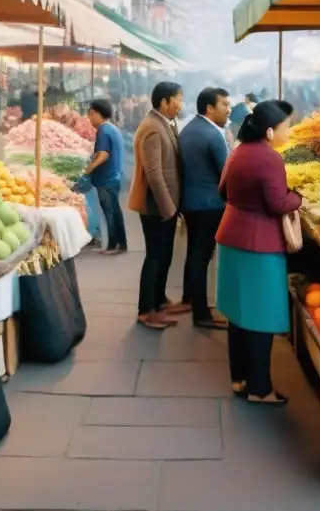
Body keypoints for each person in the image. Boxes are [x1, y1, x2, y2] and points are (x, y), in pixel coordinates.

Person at [217, 100, 302, 405]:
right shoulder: (269, 158)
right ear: (270, 131)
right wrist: (298, 198)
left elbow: (223, 191)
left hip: (231, 237)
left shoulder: (238, 151)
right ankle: (260, 389)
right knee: (261, 317)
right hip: (259, 245)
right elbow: (278, 204)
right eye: (285, 126)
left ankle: (239, 380)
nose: (288, 131)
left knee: (238, 315)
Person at [129, 81, 185, 330]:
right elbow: (154, 174)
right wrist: (168, 209)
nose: (180, 105)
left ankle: (159, 300)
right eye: (178, 99)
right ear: (164, 101)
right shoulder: (152, 127)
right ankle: (146, 310)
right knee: (155, 257)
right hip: (156, 207)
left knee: (164, 256)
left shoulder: (163, 123)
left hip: (165, 206)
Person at [179, 87, 231, 329]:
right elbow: (227, 172)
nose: (229, 110)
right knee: (202, 256)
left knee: (194, 253)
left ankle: (190, 298)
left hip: (190, 202)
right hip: (209, 204)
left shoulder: (189, 128)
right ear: (210, 108)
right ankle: (201, 314)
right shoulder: (212, 134)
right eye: (225, 104)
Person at [85, 98, 127, 255]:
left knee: (110, 211)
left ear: (96, 113)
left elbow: (103, 155)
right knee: (115, 211)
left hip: (107, 179)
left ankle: (113, 246)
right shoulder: (112, 129)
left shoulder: (103, 130)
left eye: (90, 115)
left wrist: (87, 170)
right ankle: (120, 244)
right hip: (114, 177)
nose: (89, 119)